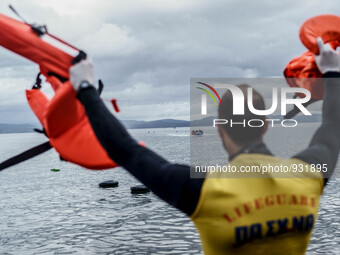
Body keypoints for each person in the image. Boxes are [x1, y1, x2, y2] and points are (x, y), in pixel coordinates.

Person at [69, 37, 340, 255]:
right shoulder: (307, 175)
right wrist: (332, 73)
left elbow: (125, 149)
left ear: (220, 127)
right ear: (266, 124)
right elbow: (333, 125)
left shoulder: (205, 190)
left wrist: (85, 88)